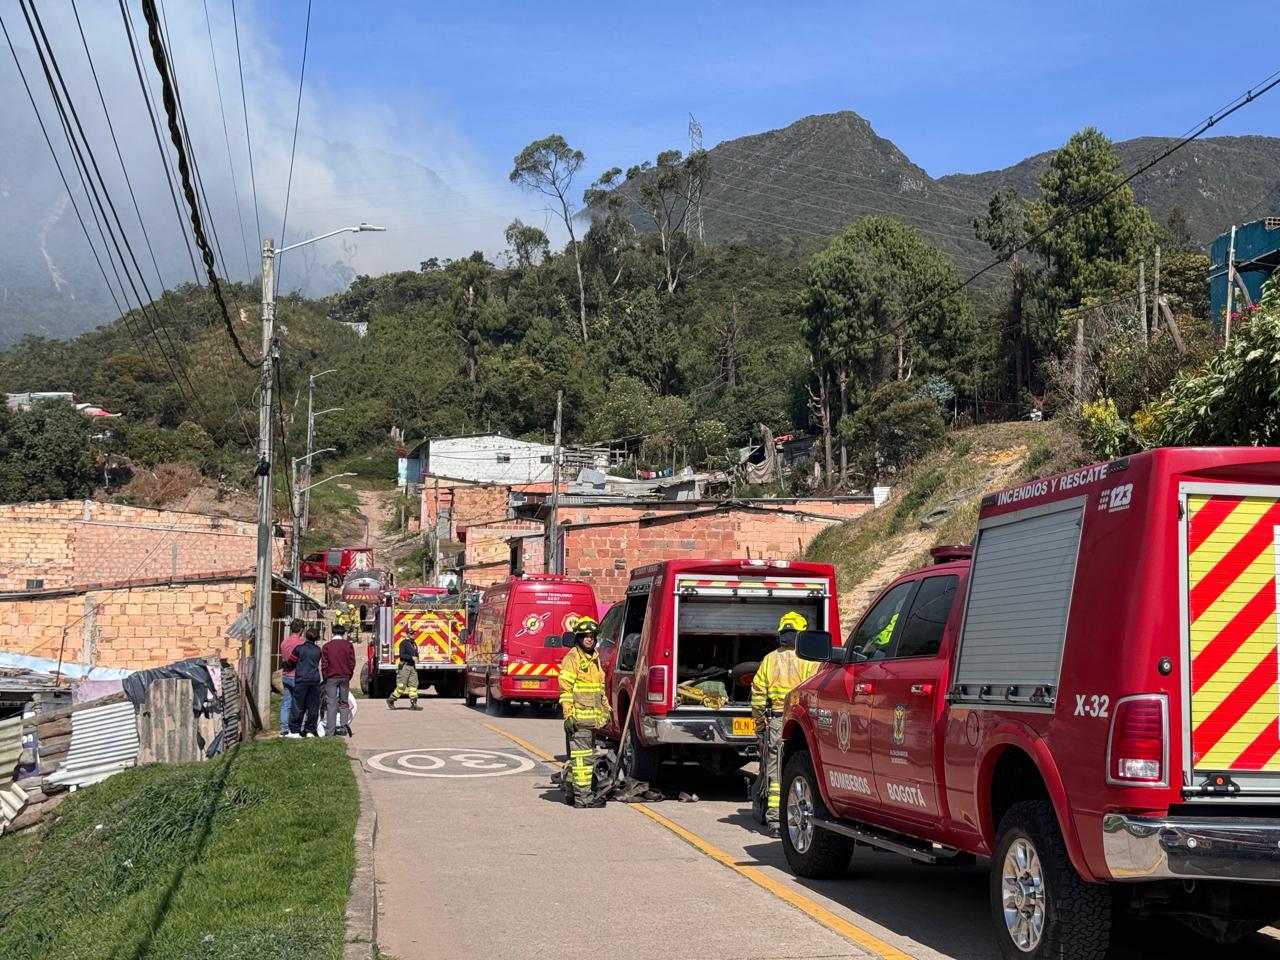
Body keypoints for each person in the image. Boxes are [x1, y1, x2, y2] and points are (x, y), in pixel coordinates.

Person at [752, 611, 819, 836]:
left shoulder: (770, 659)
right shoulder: (810, 659)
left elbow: (758, 694)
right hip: (801, 725)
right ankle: (797, 816)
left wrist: (760, 725)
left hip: (778, 721)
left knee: (775, 772)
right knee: (799, 770)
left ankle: (775, 823)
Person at [558, 616, 610, 808]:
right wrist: (568, 715)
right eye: (585, 636)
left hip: (592, 720)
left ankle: (572, 794)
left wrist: (606, 710)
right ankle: (584, 799)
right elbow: (565, 690)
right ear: (578, 638)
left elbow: (599, 689)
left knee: (577, 760)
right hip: (579, 720)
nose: (589, 639)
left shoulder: (594, 659)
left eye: (592, 636)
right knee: (583, 763)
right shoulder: (572, 658)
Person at [287, 628, 324, 738]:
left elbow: (291, 663)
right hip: (314, 680)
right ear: (317, 638)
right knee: (313, 706)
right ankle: (310, 730)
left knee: (298, 705)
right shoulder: (318, 650)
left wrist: (285, 665)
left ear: (306, 636)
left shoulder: (299, 649)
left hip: (301, 680)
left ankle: (295, 730)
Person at [321, 622, 356, 737]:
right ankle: (343, 727)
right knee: (343, 703)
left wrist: (325, 676)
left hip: (331, 677)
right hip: (344, 677)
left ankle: (330, 731)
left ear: (333, 633)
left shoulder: (327, 646)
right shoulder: (348, 645)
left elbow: (324, 664)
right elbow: (352, 662)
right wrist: (349, 674)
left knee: (331, 704)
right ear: (343, 633)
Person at [279, 618, 305, 733]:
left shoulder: (284, 642)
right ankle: (300, 726)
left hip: (286, 675)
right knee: (300, 703)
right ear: (301, 630)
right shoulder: (302, 643)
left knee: (286, 703)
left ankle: (284, 728)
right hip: (297, 675)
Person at [387, 632, 420, 710]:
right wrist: (411, 657)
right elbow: (402, 655)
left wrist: (417, 658)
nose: (413, 635)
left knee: (413, 685)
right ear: (408, 635)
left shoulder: (414, 643)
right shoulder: (403, 643)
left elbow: (415, 654)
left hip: (412, 667)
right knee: (401, 686)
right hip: (404, 666)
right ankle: (391, 700)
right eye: (412, 634)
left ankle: (414, 704)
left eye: (414, 633)